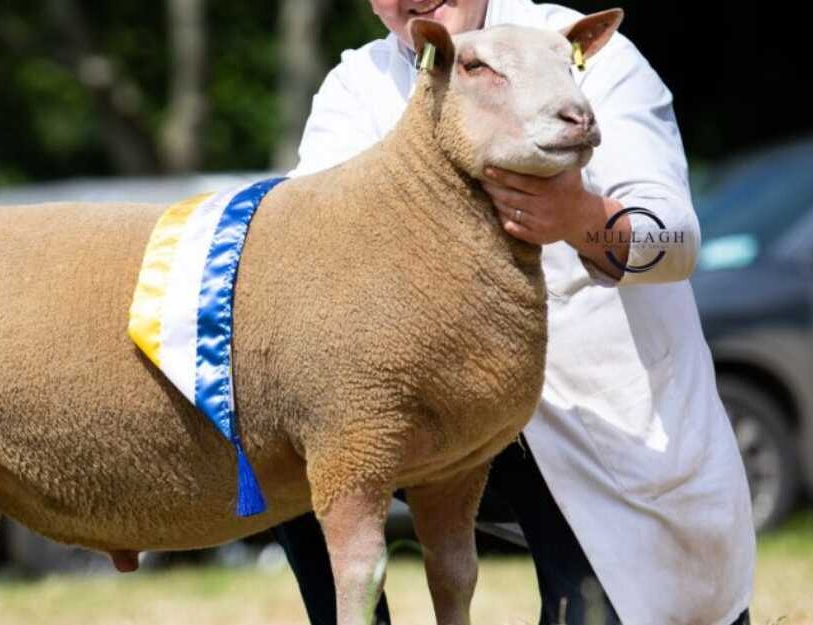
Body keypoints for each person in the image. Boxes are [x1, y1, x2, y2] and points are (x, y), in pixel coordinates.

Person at [274, 1, 756, 624]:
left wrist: (581, 219)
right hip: (444, 414)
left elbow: (677, 240)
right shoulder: (358, 86)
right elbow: (305, 241)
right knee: (277, 451)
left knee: (592, 611)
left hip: (595, 431)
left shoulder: (579, 51)